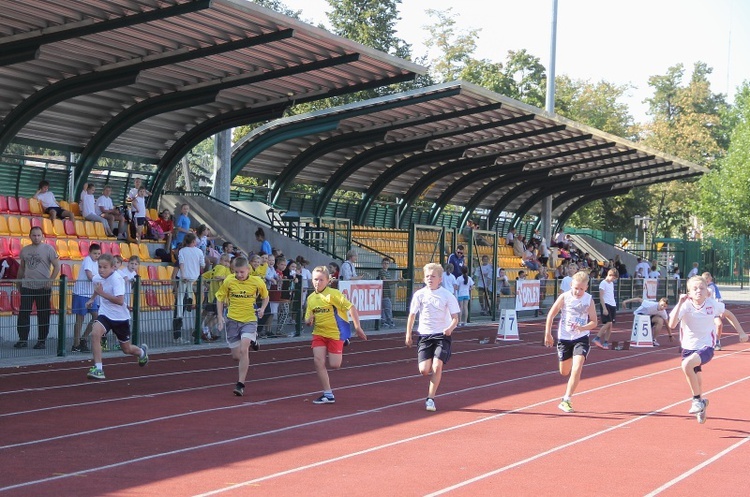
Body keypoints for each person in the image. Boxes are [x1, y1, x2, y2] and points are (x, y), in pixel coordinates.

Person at [668, 276, 737, 423]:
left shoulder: (712, 304)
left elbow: (729, 314)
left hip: (706, 346)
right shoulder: (685, 305)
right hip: (688, 347)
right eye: (695, 289)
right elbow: (672, 324)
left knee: (686, 365)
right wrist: (679, 303)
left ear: (707, 291)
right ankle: (702, 404)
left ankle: (696, 400)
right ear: (689, 293)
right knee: (697, 380)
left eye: (702, 288)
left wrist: (742, 332)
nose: (698, 291)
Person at [305, 266, 367, 404]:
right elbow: (307, 317)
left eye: (321, 280)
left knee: (335, 365)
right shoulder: (310, 298)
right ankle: (328, 393)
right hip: (319, 333)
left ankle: (344, 340)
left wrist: (358, 327)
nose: (318, 282)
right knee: (318, 361)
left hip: (335, 333)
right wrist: (308, 320)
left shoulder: (333, 294)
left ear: (328, 281)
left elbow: (351, 307)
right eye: (315, 279)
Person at [405, 263, 460, 412]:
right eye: (427, 276)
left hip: (442, 335)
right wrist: (408, 334)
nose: (430, 279)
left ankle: (430, 398)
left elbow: (455, 318)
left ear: (440, 279)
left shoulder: (447, 295)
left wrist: (450, 328)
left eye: (433, 277)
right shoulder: (419, 294)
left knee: (437, 366)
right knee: (424, 370)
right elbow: (412, 315)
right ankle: (430, 386)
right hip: (425, 335)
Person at [85, 254, 149, 380]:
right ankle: (98, 368)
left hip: (120, 318)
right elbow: (98, 288)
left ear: (113, 267)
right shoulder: (98, 277)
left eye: (105, 267)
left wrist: (102, 294)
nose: (101, 270)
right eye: (99, 267)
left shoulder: (117, 279)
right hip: (105, 314)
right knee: (95, 333)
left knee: (126, 349)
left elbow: (120, 300)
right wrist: (92, 299)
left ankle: (142, 352)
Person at [544, 271, 598, 413]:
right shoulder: (565, 297)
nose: (578, 291)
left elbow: (594, 322)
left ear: (586, 287)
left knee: (577, 366)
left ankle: (566, 399)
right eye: (576, 288)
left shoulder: (589, 300)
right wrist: (548, 334)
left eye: (581, 288)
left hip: (581, 338)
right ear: (571, 285)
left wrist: (583, 327)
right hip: (564, 338)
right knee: (564, 371)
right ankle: (567, 395)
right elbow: (551, 314)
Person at [215, 256, 269, 397]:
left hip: (249, 320)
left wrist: (262, 308)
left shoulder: (256, 281)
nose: (239, 275)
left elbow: (265, 296)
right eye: (236, 272)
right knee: (236, 356)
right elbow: (220, 298)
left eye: (242, 272)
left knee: (244, 350)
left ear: (248, 270)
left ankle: (240, 384)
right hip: (233, 320)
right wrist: (220, 316)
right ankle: (254, 341)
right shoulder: (229, 281)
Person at [14, 226, 60, 349]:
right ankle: (22, 339)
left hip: (43, 287)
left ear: (42, 236)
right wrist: (19, 282)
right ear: (30, 236)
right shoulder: (25, 250)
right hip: (27, 286)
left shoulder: (49, 249)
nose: (36, 237)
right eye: (34, 235)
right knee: (24, 313)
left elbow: (57, 267)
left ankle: (41, 340)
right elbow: (22, 268)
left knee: (43, 314)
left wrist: (50, 281)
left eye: (39, 235)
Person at [702, 271, 748, 350]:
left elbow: (729, 314)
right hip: (702, 316)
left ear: (710, 279)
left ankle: (716, 341)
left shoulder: (713, 293)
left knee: (719, 325)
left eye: (707, 279)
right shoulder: (690, 303)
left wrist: (741, 333)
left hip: (713, 311)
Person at [71, 243, 102, 353]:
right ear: (90, 253)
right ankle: (76, 344)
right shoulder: (87, 260)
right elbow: (89, 276)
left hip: (91, 294)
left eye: (99, 254)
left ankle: (83, 338)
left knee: (96, 317)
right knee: (80, 319)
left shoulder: (99, 263)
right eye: (95, 253)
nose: (97, 256)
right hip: (81, 293)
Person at [175, 233, 205, 341]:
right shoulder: (199, 251)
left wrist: (183, 274)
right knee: (190, 289)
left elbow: (181, 264)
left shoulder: (182, 251)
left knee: (179, 299)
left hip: (183, 277)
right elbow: (203, 265)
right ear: (193, 242)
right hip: (194, 277)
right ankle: (190, 299)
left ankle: (179, 317)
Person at [202, 253, 232, 342]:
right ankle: (206, 330)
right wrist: (227, 277)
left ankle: (206, 331)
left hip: (213, 295)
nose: (227, 263)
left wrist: (208, 285)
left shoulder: (216, 268)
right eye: (225, 261)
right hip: (218, 296)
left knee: (212, 314)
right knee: (219, 315)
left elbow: (203, 276)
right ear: (221, 261)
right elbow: (217, 277)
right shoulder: (222, 268)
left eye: (229, 262)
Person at [592, 268, 619, 350]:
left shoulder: (611, 284)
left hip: (612, 304)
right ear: (610, 275)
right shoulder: (603, 283)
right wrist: (604, 308)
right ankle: (597, 337)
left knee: (610, 325)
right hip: (606, 304)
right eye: (613, 278)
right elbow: (601, 296)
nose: (614, 280)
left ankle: (606, 342)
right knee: (608, 323)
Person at [377, 257, 397, 327]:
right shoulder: (381, 271)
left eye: (387, 263)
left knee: (384, 308)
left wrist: (396, 281)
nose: (386, 265)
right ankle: (389, 321)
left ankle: (384, 322)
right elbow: (385, 280)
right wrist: (396, 280)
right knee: (388, 307)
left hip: (387, 292)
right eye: (384, 263)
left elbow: (389, 282)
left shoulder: (387, 272)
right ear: (382, 264)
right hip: (383, 292)